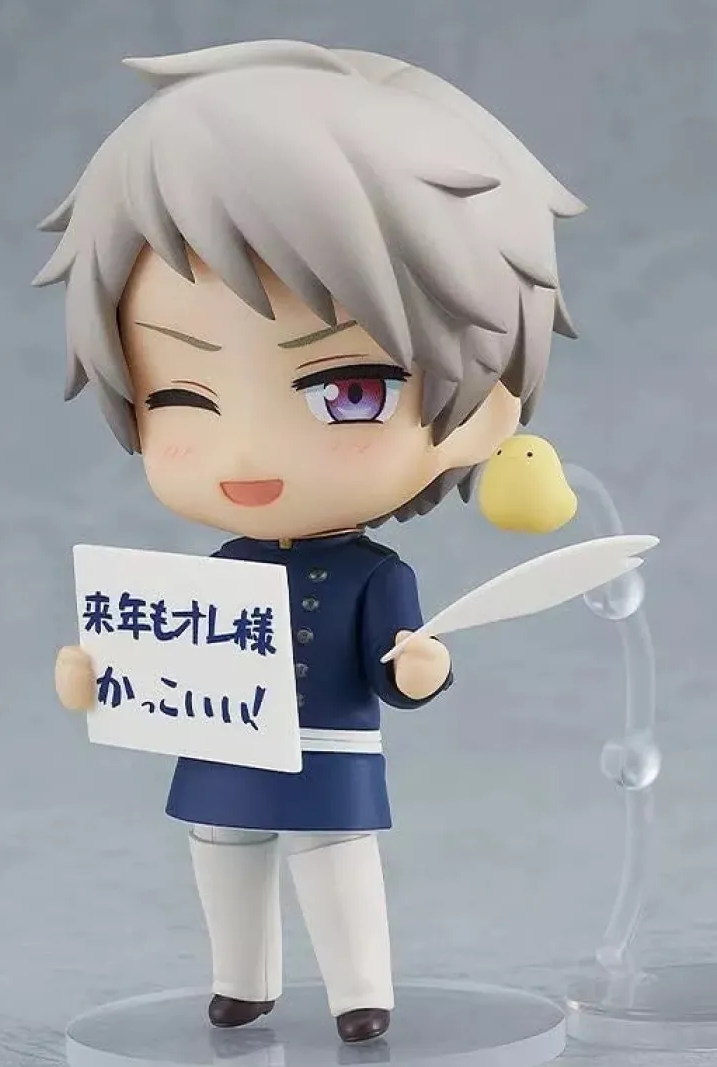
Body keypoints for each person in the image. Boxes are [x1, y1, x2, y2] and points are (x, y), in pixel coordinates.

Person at [38, 39, 583, 1043]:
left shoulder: (376, 574)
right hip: (221, 747)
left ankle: (358, 990)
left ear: (485, 406)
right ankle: (239, 980)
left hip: (328, 753)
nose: (247, 451)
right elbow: (164, 660)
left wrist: (416, 669)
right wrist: (97, 675)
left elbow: (396, 675)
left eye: (346, 389)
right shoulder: (226, 570)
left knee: (334, 864)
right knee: (223, 853)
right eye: (179, 393)